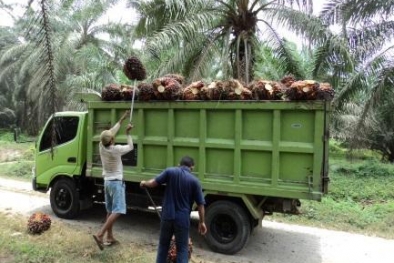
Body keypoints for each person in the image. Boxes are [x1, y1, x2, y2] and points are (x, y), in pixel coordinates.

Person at [140, 156, 207, 263]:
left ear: (179, 165)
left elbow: (153, 183)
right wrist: (202, 222)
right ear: (192, 167)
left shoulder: (170, 172)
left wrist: (144, 183)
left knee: (163, 246)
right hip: (182, 219)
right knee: (182, 249)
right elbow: (201, 204)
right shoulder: (195, 181)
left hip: (167, 216)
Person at [93, 110, 134, 250]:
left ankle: (109, 237)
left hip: (107, 182)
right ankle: (100, 234)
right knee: (119, 210)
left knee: (110, 210)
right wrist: (128, 133)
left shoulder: (101, 146)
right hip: (116, 183)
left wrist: (121, 120)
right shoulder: (116, 149)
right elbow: (131, 146)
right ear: (111, 140)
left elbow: (111, 132)